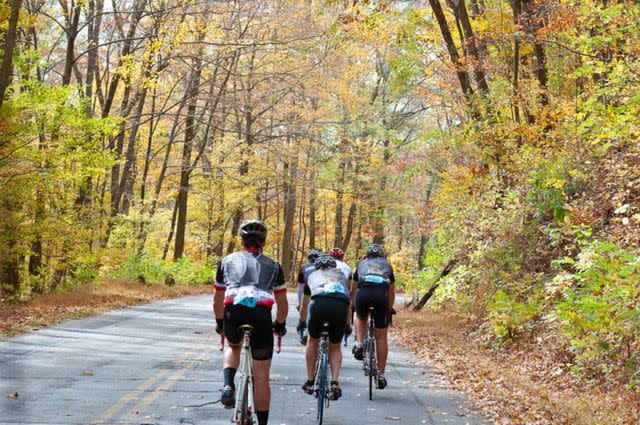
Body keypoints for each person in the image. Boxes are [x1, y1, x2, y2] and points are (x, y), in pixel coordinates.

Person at [213, 220, 288, 425]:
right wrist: (279, 325)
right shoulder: (273, 266)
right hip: (260, 315)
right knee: (261, 373)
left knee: (234, 345)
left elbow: (218, 299)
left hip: (233, 312)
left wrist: (220, 322)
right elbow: (282, 304)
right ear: (263, 242)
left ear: (242, 241)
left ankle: (228, 385)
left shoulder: (226, 261)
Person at [297, 255, 351, 401]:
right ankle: (334, 382)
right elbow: (348, 303)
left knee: (312, 341)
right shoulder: (343, 277)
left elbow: (304, 304)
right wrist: (347, 325)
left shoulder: (312, 275)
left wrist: (302, 322)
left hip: (318, 305)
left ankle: (310, 381)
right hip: (339, 306)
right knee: (335, 346)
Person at [350, 243, 395, 390]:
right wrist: (389, 309)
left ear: (367, 255)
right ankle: (381, 375)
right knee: (381, 337)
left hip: (363, 295)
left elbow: (353, 288)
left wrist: (353, 304)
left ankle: (359, 344)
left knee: (360, 316)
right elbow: (392, 292)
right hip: (381, 296)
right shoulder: (387, 266)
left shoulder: (360, 265)